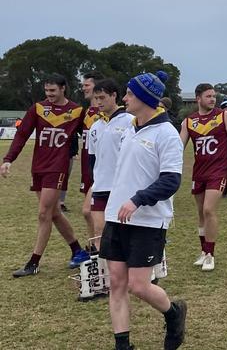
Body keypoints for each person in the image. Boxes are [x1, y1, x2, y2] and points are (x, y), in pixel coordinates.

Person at [99, 70, 186, 350]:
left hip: (148, 220)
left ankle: (173, 313)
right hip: (116, 217)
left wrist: (137, 200)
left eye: (130, 93)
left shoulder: (167, 133)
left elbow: (171, 180)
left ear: (146, 98)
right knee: (116, 282)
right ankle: (122, 345)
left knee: (139, 286)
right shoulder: (129, 128)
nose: (124, 98)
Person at [1, 73, 89, 277]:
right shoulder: (38, 108)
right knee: (54, 212)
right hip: (38, 167)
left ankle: (33, 262)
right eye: (46, 91)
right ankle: (78, 251)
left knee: (43, 213)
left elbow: (91, 134)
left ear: (63, 88)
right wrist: (8, 159)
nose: (49, 94)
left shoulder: (76, 111)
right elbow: (22, 134)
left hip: (58, 168)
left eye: (53, 90)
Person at [180, 84, 227, 271]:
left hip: (219, 171)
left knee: (209, 210)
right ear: (198, 98)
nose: (212, 99)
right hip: (199, 171)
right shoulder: (189, 121)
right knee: (201, 213)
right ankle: (203, 251)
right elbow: (178, 147)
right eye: (208, 96)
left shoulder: (224, 116)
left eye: (214, 96)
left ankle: (210, 254)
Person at [87, 79, 133, 249]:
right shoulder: (95, 126)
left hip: (122, 187)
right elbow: (92, 159)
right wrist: (93, 182)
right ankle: (104, 272)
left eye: (102, 97)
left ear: (114, 96)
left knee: (122, 231)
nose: (98, 102)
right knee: (99, 230)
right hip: (100, 186)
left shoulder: (130, 121)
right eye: (96, 98)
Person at [79, 71, 104, 248]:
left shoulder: (105, 113)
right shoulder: (87, 112)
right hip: (88, 169)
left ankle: (97, 247)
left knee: (89, 211)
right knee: (89, 212)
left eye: (86, 85)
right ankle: (93, 246)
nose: (83, 88)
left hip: (101, 171)